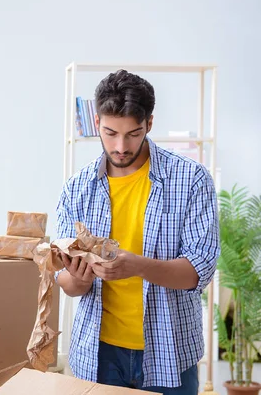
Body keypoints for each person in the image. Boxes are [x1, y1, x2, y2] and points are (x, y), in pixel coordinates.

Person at [53, 70, 220, 394]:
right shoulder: (77, 188)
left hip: (170, 351)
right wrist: (81, 277)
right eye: (110, 132)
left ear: (150, 124)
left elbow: (198, 272)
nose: (120, 146)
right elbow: (67, 283)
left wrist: (137, 266)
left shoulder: (191, 179)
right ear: (95, 122)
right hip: (97, 354)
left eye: (133, 133)